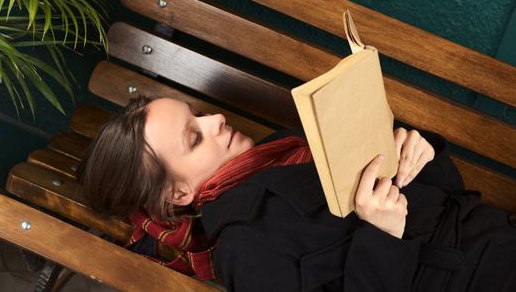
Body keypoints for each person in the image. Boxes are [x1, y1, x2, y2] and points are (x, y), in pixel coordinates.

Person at [77, 95, 516, 292]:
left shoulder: (285, 145)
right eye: (194, 137)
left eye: (198, 114)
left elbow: (449, 197)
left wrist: (419, 153)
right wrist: (382, 235)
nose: (215, 120)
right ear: (179, 192)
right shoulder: (245, 248)